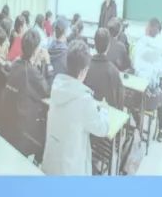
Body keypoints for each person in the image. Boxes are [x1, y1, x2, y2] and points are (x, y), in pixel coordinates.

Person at [42, 42, 111, 176]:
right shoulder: (84, 100)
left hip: (50, 164)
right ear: (83, 71)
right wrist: (104, 110)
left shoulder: (57, 86)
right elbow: (103, 129)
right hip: (70, 170)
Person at [2, 28, 51, 161]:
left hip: (7, 123)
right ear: (36, 51)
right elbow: (47, 90)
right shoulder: (31, 72)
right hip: (21, 131)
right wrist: (47, 63)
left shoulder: (15, 64)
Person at [133, 17, 162, 142]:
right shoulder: (161, 48)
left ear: (148, 28)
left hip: (134, 95)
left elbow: (134, 64)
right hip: (150, 99)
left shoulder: (139, 44)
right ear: (158, 32)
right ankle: (161, 131)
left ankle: (137, 124)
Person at [85, 27, 124, 109]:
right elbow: (120, 103)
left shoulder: (84, 67)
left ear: (94, 44)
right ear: (109, 46)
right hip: (108, 114)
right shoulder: (114, 71)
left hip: (86, 110)